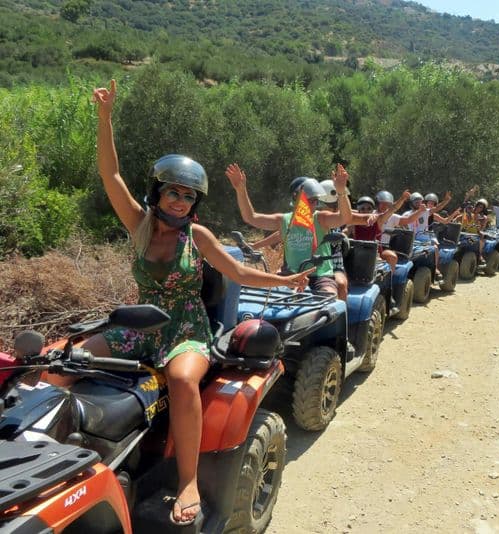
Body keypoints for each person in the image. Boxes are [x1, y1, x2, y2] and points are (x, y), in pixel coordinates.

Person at [90, 81, 312, 526]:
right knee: (64, 360)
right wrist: (104, 118)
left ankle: (188, 479)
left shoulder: (199, 236)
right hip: (139, 323)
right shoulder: (140, 224)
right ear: (158, 192)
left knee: (182, 379)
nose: (180, 199)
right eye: (174, 191)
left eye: (189, 195)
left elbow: (240, 274)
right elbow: (110, 176)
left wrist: (283, 278)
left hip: (185, 326)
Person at [225, 163, 353, 297]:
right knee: (265, 299)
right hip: (289, 276)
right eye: (309, 200)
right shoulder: (284, 220)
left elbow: (345, 217)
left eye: (315, 200)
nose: (314, 204)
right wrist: (240, 190)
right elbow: (251, 217)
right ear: (296, 198)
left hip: (320, 277)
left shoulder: (321, 218)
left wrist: (341, 191)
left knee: (329, 300)